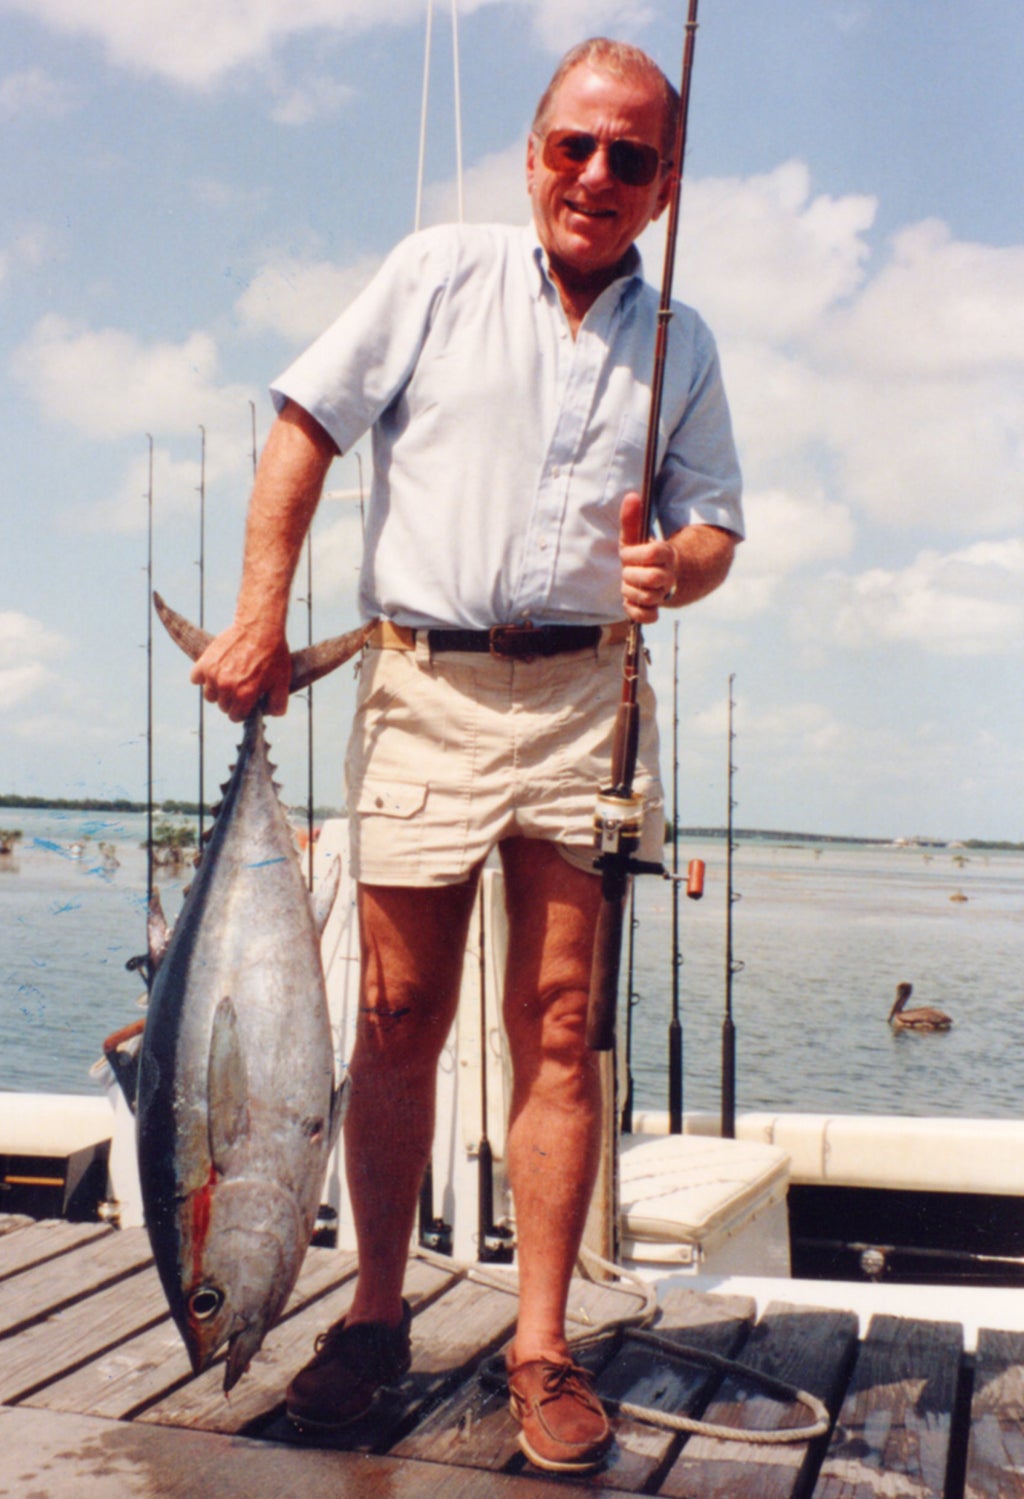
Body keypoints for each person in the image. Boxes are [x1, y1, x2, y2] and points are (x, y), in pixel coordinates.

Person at [191, 36, 743, 1475]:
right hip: (424, 683)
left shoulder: (684, 343)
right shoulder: (438, 273)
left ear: (667, 183)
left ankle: (541, 1343)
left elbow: (716, 529)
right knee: (394, 1015)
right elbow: (307, 426)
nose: (598, 176)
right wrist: (262, 617)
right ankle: (374, 1317)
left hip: (584, 699)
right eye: (576, 145)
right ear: (533, 152)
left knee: (561, 1024)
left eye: (633, 157)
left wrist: (670, 571)